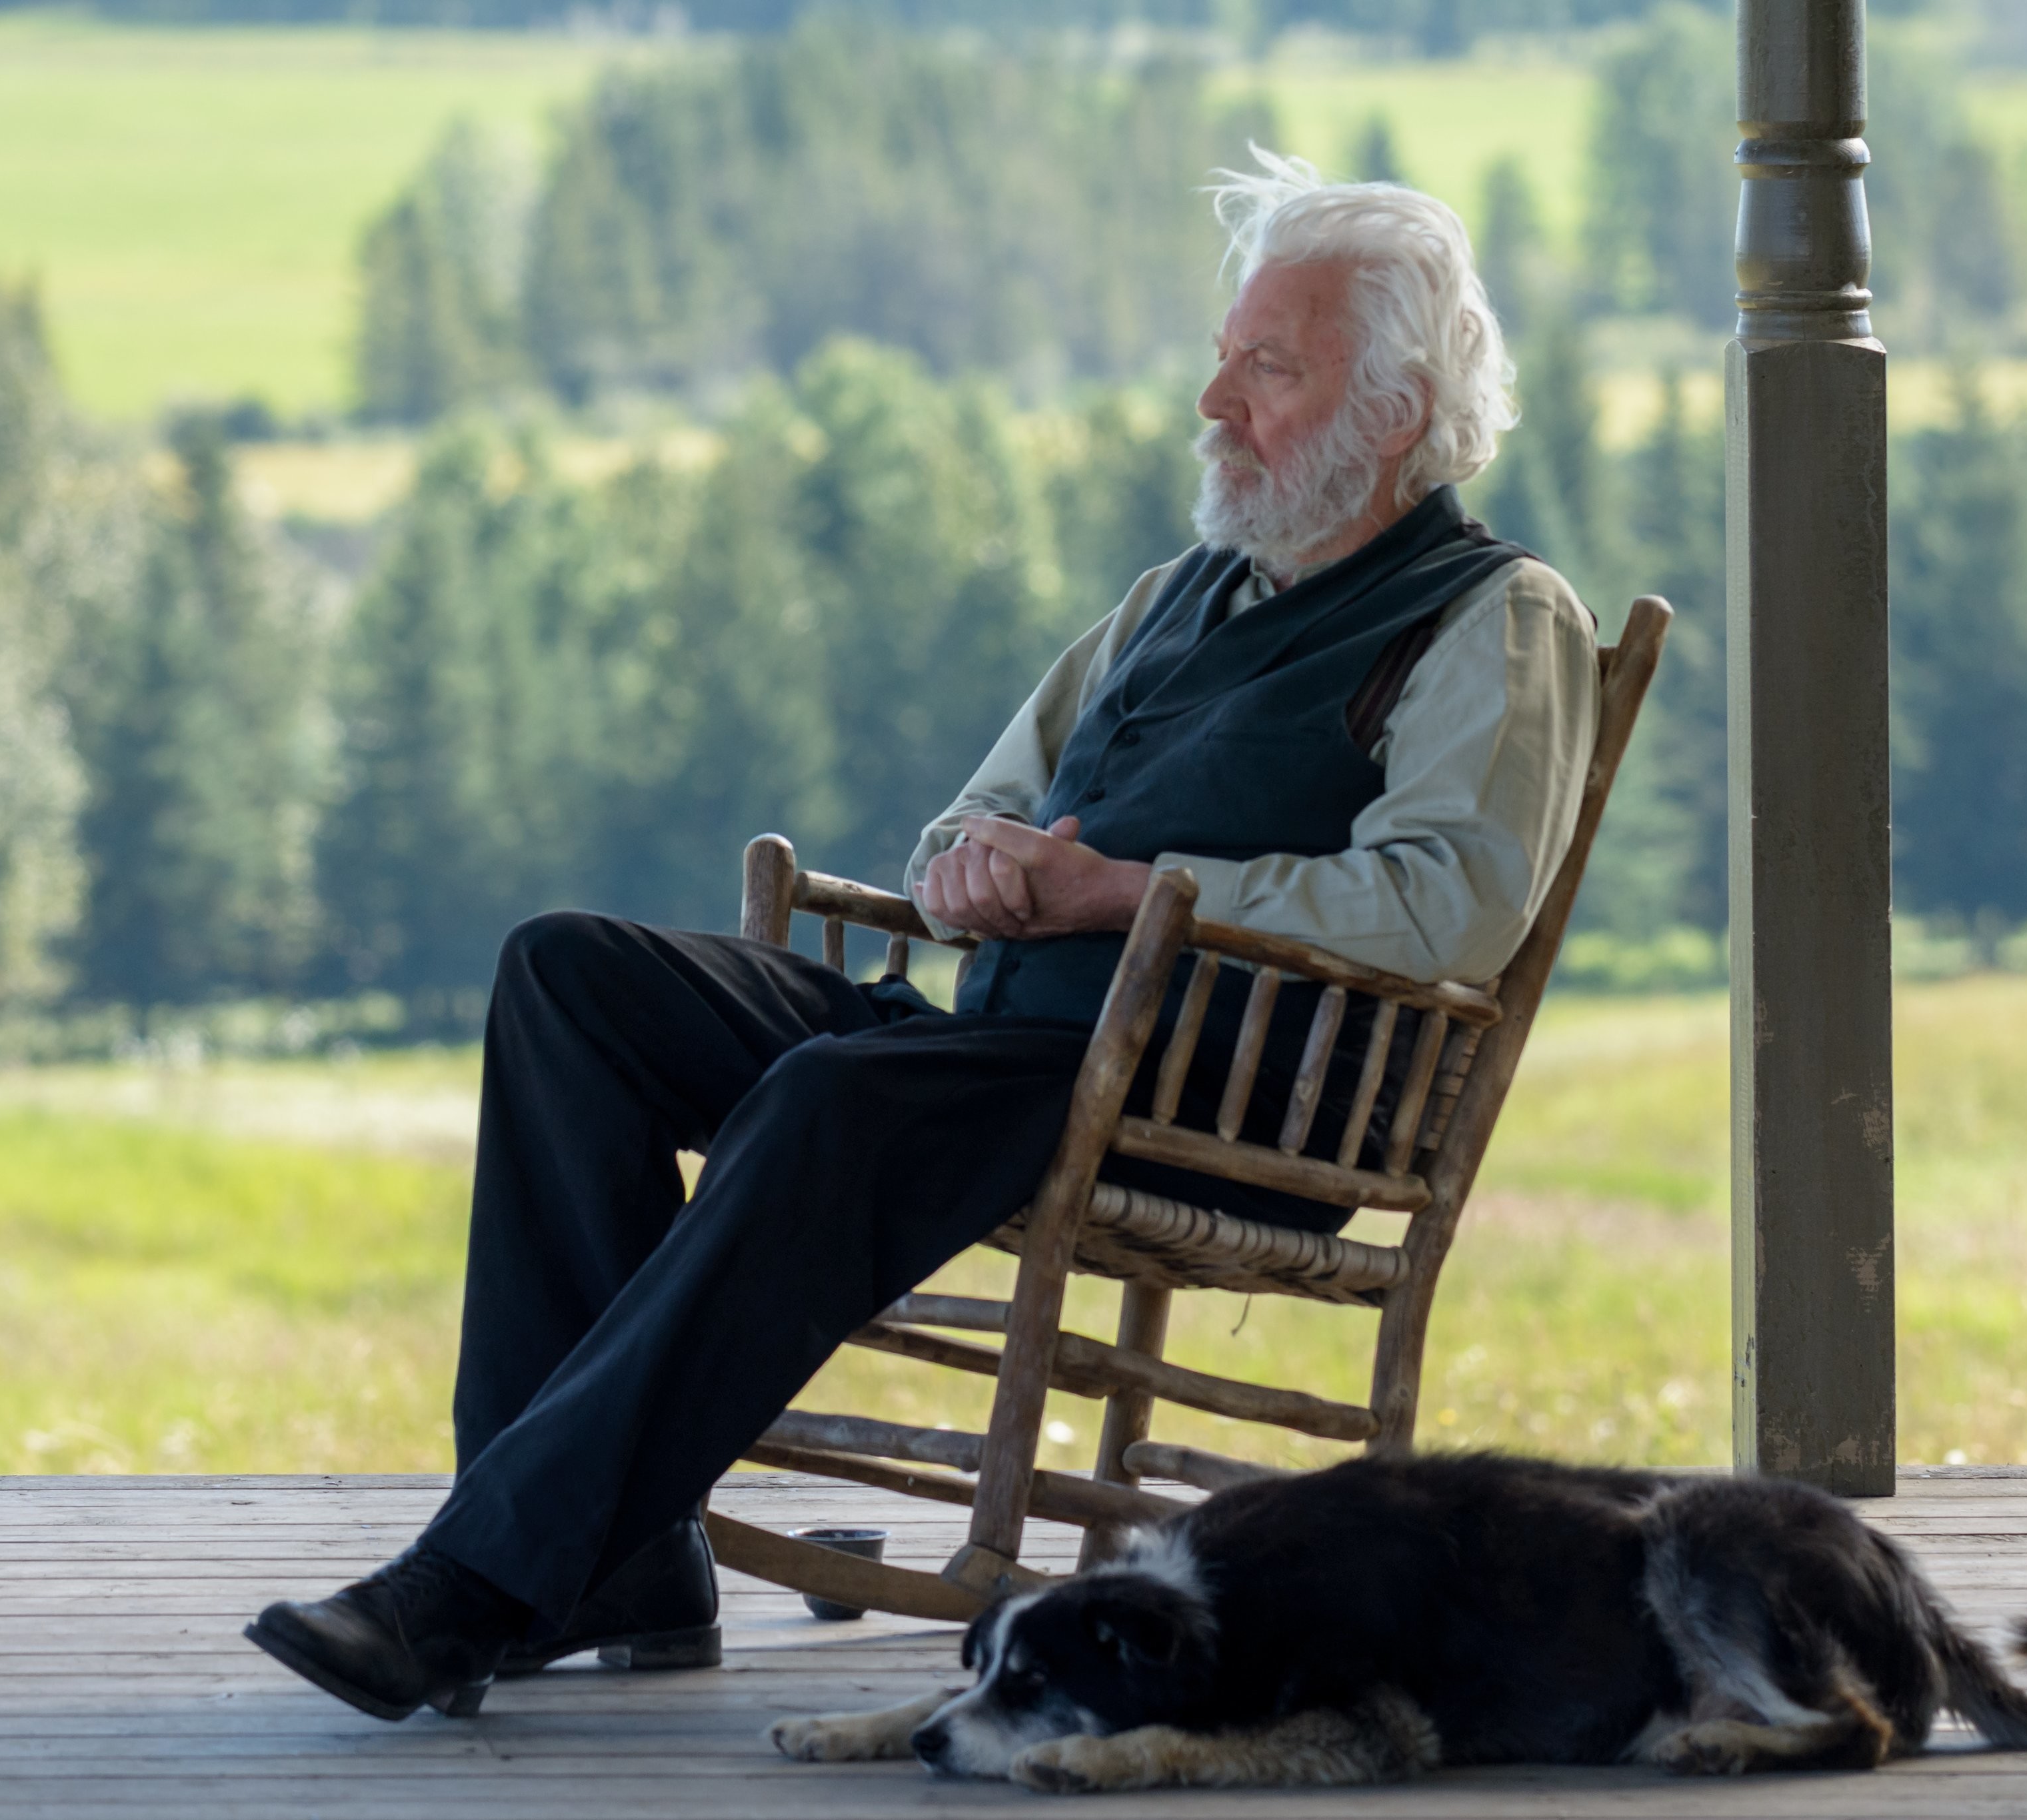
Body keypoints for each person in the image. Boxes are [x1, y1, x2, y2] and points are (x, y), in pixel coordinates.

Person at [245, 149, 1602, 1723]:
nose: (1214, 400)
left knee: (836, 1099)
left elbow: (1454, 903)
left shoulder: (1486, 616)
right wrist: (973, 869)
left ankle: (472, 1588)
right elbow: (982, 810)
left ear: (1395, 408)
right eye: (1224, 356)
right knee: (572, 975)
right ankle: (614, 1564)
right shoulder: (1176, 594)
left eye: (1268, 369)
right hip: (1005, 1054)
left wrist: (1127, 891)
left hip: (1207, 1097)